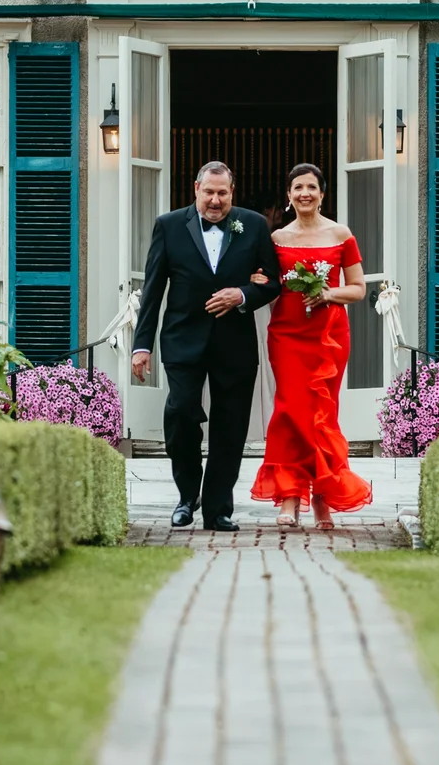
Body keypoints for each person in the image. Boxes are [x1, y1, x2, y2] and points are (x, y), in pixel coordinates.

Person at [131, 161, 283, 531]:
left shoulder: (254, 225)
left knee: (230, 427)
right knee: (180, 412)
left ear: (232, 192)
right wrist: (141, 345)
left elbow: (274, 282)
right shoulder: (169, 226)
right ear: (196, 188)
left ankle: (218, 509)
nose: (215, 200)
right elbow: (152, 291)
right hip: (182, 339)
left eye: (223, 193)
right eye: (209, 192)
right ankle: (187, 495)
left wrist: (242, 294)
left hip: (235, 343)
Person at [253, 162, 373, 529]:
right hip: (287, 335)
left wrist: (329, 293)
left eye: (311, 187)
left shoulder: (341, 235)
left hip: (329, 337)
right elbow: (268, 282)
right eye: (297, 187)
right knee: (289, 410)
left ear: (322, 194)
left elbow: (359, 287)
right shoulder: (276, 239)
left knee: (323, 414)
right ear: (289, 196)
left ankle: (322, 499)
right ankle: (289, 498)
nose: (304, 193)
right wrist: (256, 279)